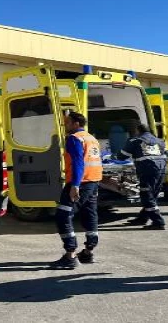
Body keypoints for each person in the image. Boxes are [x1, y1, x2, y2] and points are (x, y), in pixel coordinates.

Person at [51, 112, 102, 269]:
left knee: (63, 215)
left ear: (75, 124)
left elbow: (78, 162)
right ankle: (88, 252)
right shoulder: (91, 138)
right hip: (93, 181)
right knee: (90, 214)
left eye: (67, 123)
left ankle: (70, 255)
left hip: (80, 182)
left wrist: (75, 185)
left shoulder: (74, 138)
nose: (65, 126)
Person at [119, 124, 168, 229]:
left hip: (147, 171)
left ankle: (158, 222)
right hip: (161, 170)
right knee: (153, 195)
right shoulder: (160, 141)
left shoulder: (135, 141)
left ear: (138, 130)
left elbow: (122, 156)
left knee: (147, 196)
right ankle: (143, 218)